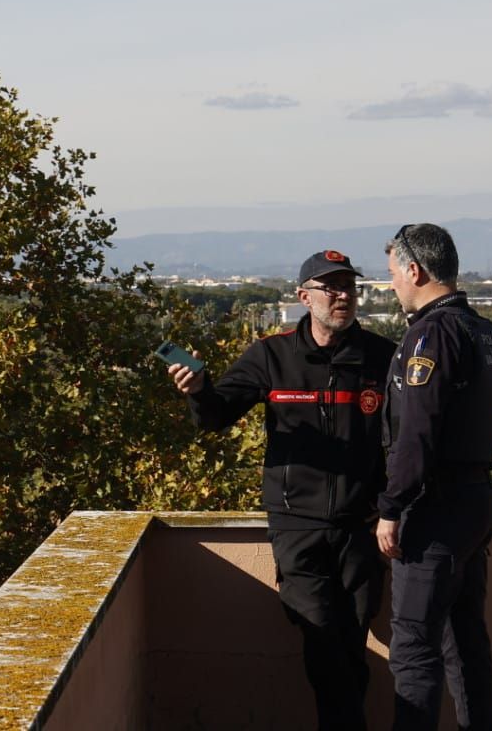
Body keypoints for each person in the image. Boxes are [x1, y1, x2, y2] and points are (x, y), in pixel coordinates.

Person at [168, 250, 395, 731]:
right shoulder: (271, 356)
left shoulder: (382, 356)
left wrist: (392, 506)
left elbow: (407, 440)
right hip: (297, 528)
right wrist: (199, 390)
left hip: (361, 528)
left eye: (349, 287)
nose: (342, 296)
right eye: (330, 287)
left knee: (350, 642)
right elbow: (217, 416)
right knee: (321, 638)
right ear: (303, 297)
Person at [376, 223, 492, 731]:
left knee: (413, 649)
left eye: (393, 274)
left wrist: (392, 506)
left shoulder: (432, 334)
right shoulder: (486, 331)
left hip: (436, 509)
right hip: (476, 501)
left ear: (415, 271)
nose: (392, 284)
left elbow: (417, 433)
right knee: (466, 640)